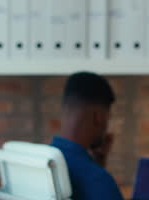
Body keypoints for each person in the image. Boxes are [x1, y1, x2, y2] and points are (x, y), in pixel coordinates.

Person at [50, 71, 124, 200]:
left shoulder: (44, 162)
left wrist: (99, 162)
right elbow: (94, 184)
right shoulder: (99, 181)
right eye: (108, 117)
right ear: (98, 117)